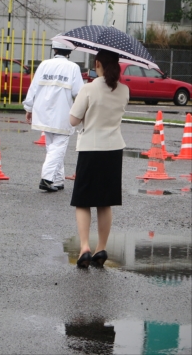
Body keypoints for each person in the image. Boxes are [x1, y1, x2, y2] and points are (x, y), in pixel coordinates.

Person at [68, 50, 129, 268]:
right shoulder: (124, 90)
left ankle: (84, 247)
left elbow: (73, 120)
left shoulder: (89, 88)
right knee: (105, 202)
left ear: (97, 64)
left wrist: (86, 113)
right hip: (113, 151)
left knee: (83, 201)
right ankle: (101, 247)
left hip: (90, 149)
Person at [23, 39, 84, 192]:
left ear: (54, 49)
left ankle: (57, 180)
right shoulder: (73, 68)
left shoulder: (44, 65)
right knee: (59, 146)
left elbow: (33, 88)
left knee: (52, 146)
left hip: (43, 112)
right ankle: (47, 178)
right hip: (62, 114)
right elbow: (79, 93)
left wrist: (28, 108)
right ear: (69, 52)